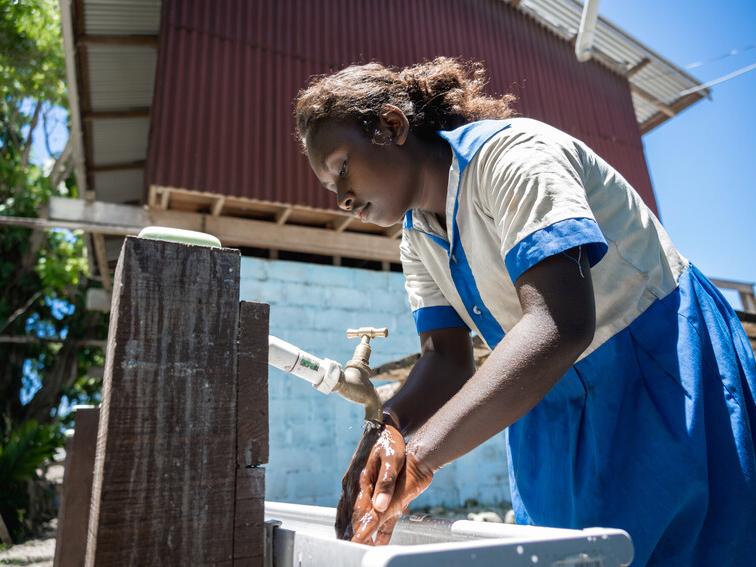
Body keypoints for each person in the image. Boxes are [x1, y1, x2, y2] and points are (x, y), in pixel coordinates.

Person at [294, 57, 756, 566]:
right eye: (330, 187)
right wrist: (387, 430)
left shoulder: (512, 157)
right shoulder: (418, 237)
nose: (342, 197)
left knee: (698, 545)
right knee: (565, 553)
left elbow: (559, 324)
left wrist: (419, 456)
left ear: (390, 125)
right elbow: (445, 360)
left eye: (341, 167)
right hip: (549, 396)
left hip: (658, 362)